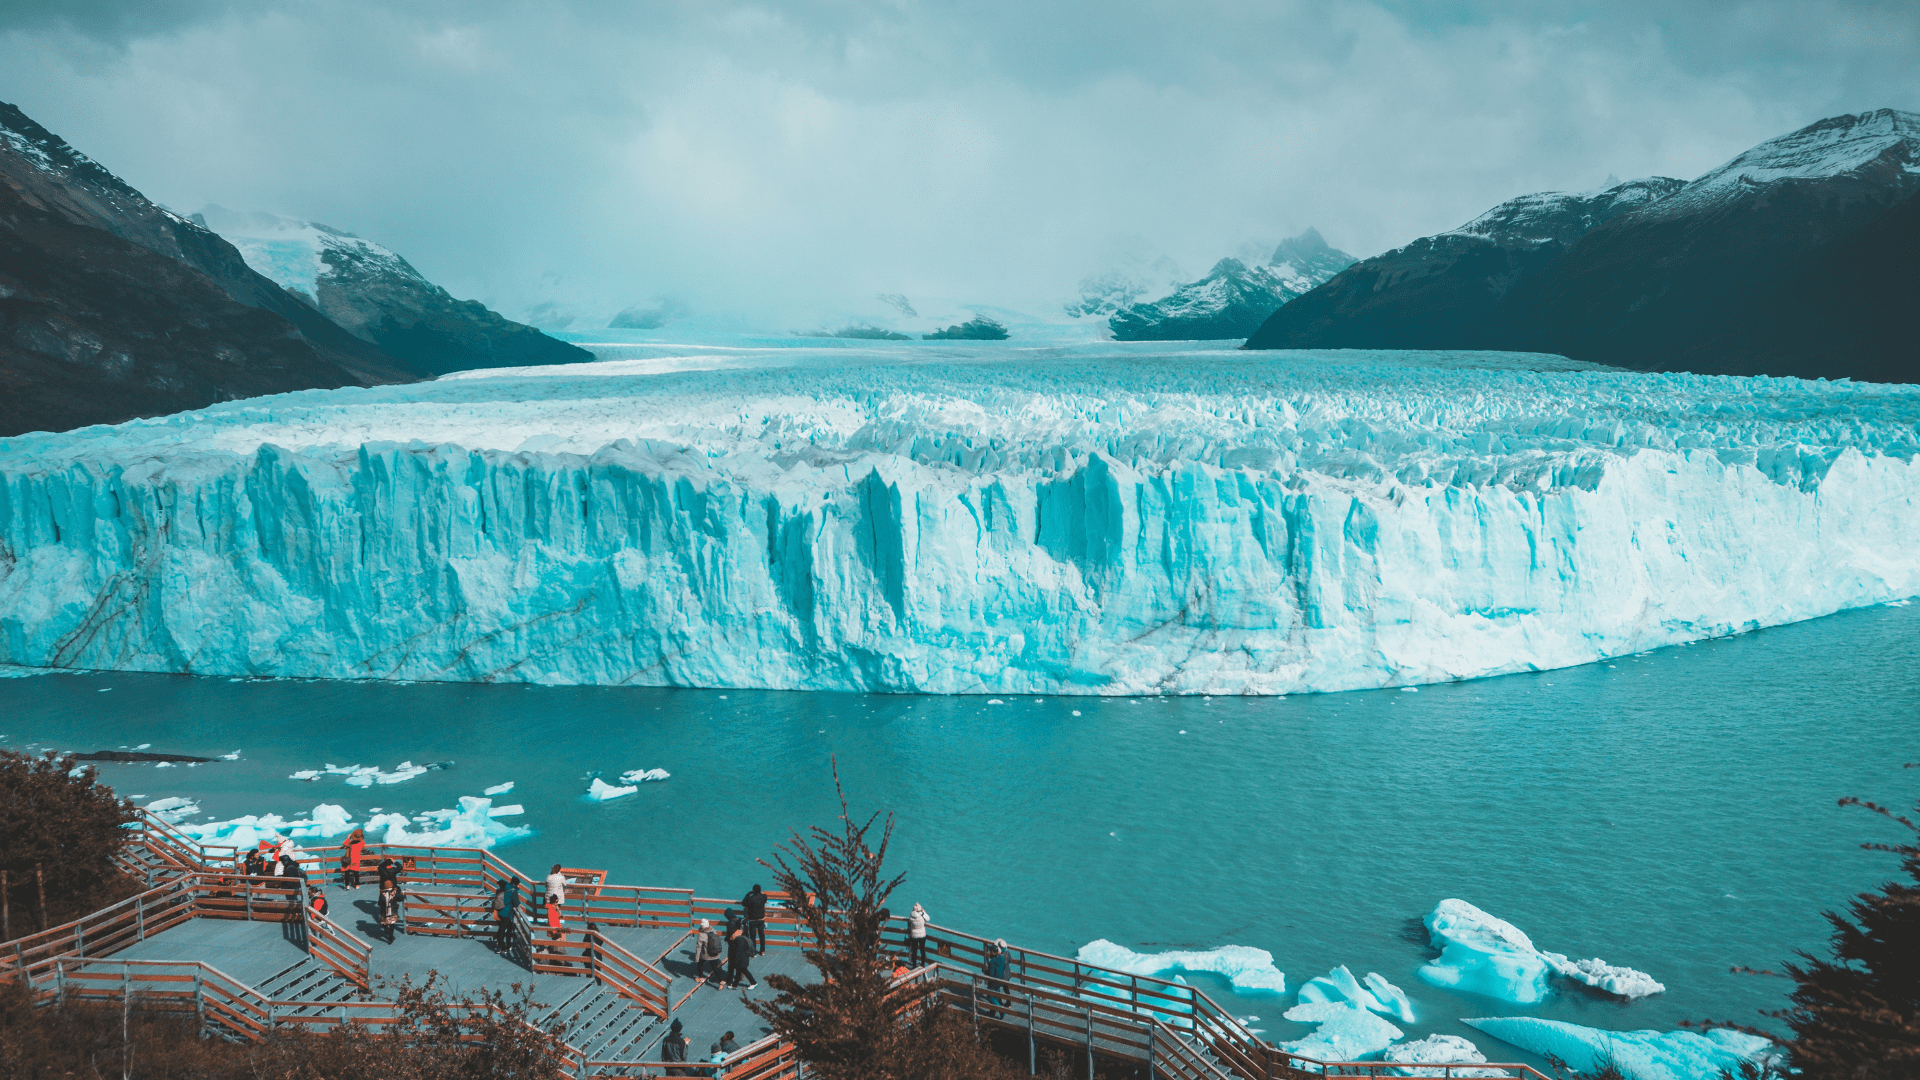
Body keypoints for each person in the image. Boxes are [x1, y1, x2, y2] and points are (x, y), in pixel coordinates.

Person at [982, 938, 1010, 1016]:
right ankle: (992, 1012)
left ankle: (1001, 1010)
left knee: (990, 997)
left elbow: (990, 974)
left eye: (990, 951)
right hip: (1000, 980)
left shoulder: (992, 962)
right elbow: (1004, 967)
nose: (989, 952)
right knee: (996, 996)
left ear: (992, 952)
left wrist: (985, 971)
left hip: (993, 981)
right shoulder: (1001, 958)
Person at [725, 921, 758, 989]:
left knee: (744, 972)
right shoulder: (742, 938)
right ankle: (735, 985)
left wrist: (736, 961)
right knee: (739, 972)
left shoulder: (738, 941)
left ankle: (753, 983)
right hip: (743, 959)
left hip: (741, 960)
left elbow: (738, 952)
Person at [492, 876, 520, 950]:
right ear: (516, 884)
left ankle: (500, 944)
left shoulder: (505, 886)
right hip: (507, 913)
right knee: (508, 929)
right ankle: (505, 945)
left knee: (501, 929)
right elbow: (516, 904)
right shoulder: (513, 890)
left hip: (499, 911)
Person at [741, 884, 768, 955]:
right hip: (761, 919)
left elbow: (743, 903)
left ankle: (753, 951)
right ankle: (762, 951)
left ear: (753, 890)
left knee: (753, 937)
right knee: (761, 936)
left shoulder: (750, 899)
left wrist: (748, 894)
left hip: (753, 920)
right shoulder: (763, 897)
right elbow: (764, 897)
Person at [907, 903, 930, 967]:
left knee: (914, 951)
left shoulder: (911, 915)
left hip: (914, 935)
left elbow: (909, 923)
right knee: (922, 950)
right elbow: (928, 918)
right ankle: (923, 964)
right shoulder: (922, 914)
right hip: (922, 935)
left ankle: (914, 965)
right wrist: (923, 911)